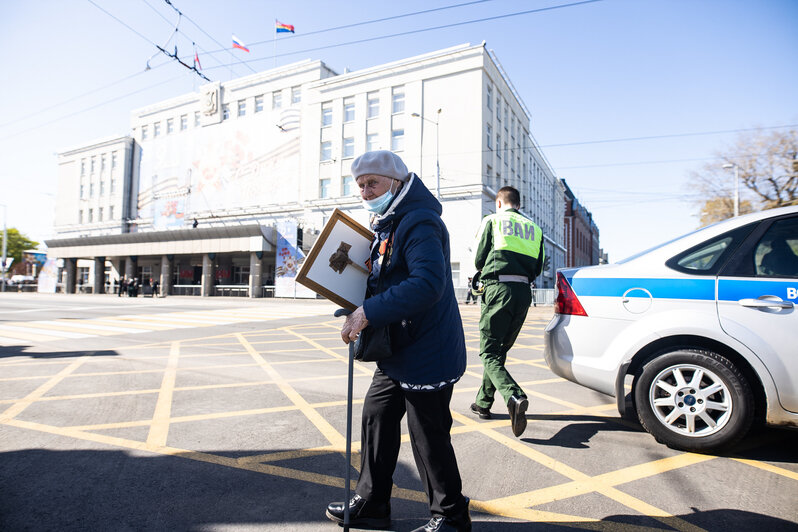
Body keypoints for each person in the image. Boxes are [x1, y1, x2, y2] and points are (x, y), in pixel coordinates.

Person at [326, 151, 471, 532]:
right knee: (376, 417)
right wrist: (354, 306)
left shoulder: (419, 221)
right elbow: (383, 280)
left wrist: (367, 313)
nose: (365, 191)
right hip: (398, 348)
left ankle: (450, 517)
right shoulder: (387, 223)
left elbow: (426, 284)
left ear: (396, 182)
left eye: (371, 183)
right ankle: (373, 504)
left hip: (427, 349)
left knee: (428, 437)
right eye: (359, 185)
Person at [469, 186, 545, 438]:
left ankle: (514, 396)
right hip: (523, 293)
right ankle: (483, 402)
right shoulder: (534, 229)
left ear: (499, 203)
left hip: (497, 288)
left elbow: (479, 259)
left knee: (489, 351)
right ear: (519, 205)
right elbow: (539, 266)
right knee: (499, 352)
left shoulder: (493, 220)